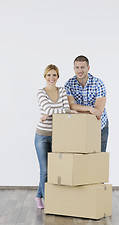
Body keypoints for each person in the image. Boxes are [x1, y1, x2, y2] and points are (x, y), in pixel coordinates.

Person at [35, 64, 72, 209]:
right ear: (45, 76)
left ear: (58, 77)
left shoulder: (62, 90)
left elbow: (67, 109)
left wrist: (49, 113)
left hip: (58, 136)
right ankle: (47, 200)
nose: (52, 78)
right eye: (49, 75)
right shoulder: (40, 92)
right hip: (42, 136)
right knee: (45, 170)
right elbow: (48, 108)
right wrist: (52, 111)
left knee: (54, 169)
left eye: (54, 75)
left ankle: (38, 196)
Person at [65, 55, 109, 152]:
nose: (80, 70)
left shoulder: (98, 83)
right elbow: (71, 106)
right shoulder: (69, 84)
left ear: (88, 68)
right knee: (82, 159)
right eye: (77, 67)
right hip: (80, 126)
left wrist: (79, 111)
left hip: (99, 125)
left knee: (98, 158)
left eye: (82, 67)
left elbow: (98, 111)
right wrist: (90, 109)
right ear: (74, 68)